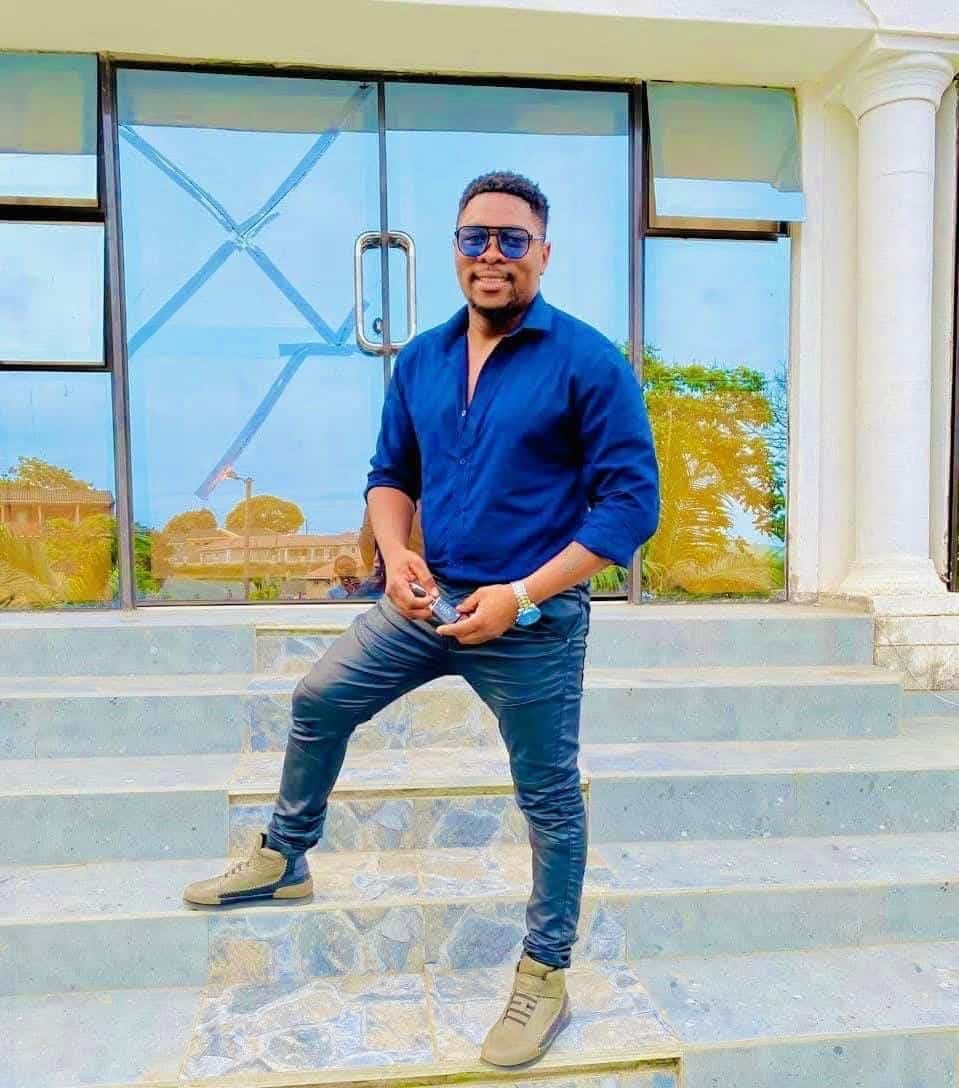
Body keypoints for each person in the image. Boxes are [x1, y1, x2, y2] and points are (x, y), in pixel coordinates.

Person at [184, 171, 660, 1068]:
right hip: (424, 602)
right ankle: (285, 858)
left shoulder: (588, 362)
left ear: (543, 253)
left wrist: (522, 595)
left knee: (549, 799)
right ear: (454, 250)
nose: (492, 254)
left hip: (531, 623)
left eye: (512, 239)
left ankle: (545, 973)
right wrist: (398, 553)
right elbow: (389, 474)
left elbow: (631, 507)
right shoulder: (422, 361)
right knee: (318, 699)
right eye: (476, 237)